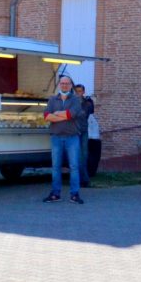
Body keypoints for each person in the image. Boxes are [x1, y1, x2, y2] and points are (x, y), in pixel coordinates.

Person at [43, 75, 84, 204]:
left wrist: (56, 114)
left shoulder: (76, 99)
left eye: (67, 83)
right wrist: (64, 115)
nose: (65, 85)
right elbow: (46, 116)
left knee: (74, 166)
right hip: (56, 138)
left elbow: (72, 114)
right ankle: (55, 194)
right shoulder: (52, 99)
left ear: (71, 85)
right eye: (62, 83)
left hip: (72, 138)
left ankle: (74, 194)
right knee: (56, 167)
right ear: (59, 85)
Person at [74, 84, 95, 188]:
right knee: (77, 156)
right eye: (76, 91)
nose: (78, 93)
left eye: (80, 91)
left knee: (84, 155)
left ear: (83, 92)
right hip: (74, 131)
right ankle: (82, 179)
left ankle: (84, 179)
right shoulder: (72, 102)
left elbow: (88, 113)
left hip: (83, 131)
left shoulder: (87, 103)